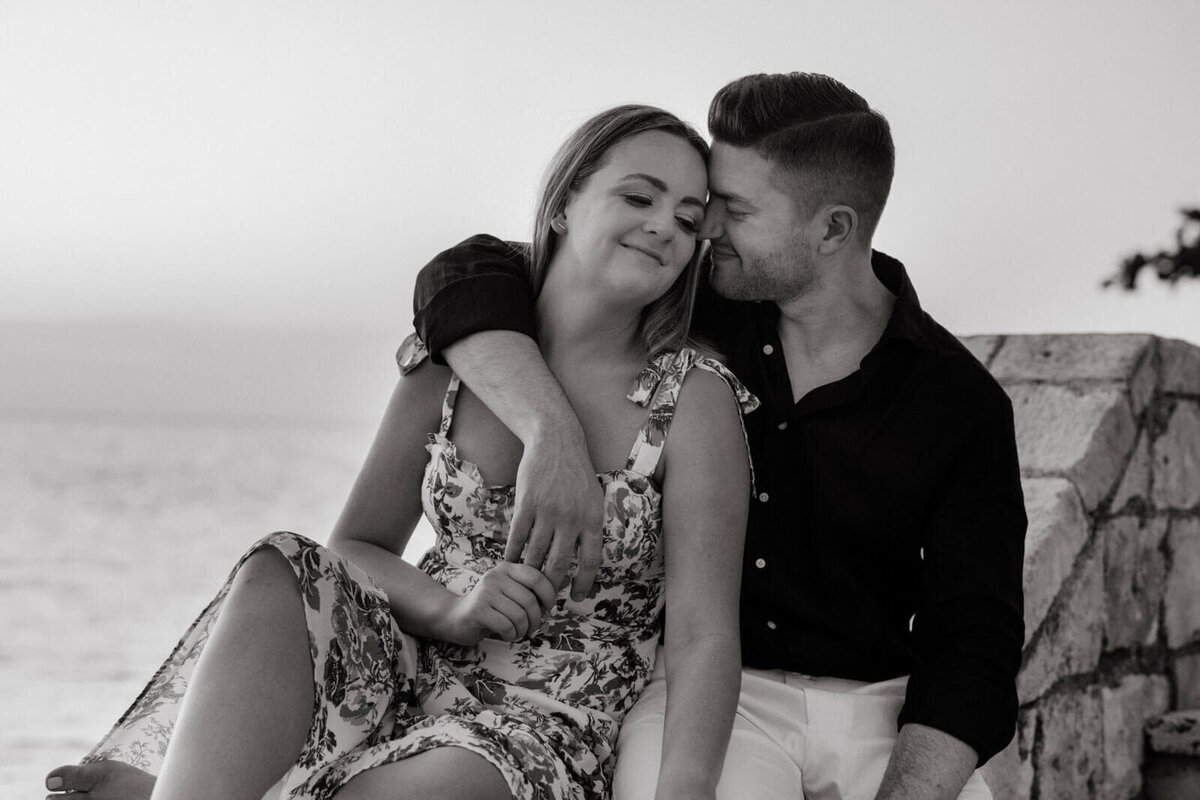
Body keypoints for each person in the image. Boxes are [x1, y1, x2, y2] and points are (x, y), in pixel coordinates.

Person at [45, 105, 756, 800]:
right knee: (279, 565)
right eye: (639, 196)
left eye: (690, 220)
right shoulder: (455, 359)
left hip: (540, 720)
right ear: (567, 202)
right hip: (402, 653)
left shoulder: (691, 398)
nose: (666, 226)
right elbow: (356, 543)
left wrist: (684, 788)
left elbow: (702, 635)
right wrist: (452, 612)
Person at [404, 73, 1027, 800]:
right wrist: (553, 431)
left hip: (881, 706)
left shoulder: (958, 400)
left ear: (832, 230)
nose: (705, 229)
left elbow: (975, 640)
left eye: (732, 209)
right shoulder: (689, 306)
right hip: (711, 699)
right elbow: (462, 278)